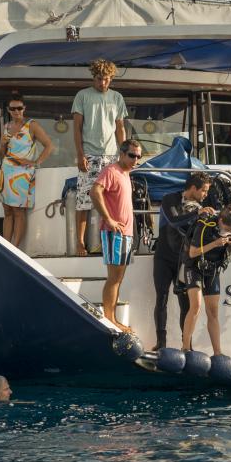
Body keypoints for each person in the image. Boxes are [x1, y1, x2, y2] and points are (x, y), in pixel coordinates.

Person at [151, 172, 214, 351]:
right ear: (193, 188)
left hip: (182, 260)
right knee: (161, 298)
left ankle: (187, 345)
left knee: (184, 303)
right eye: (204, 191)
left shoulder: (198, 207)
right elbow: (174, 221)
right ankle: (161, 342)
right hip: (163, 257)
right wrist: (197, 214)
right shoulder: (169, 199)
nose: (205, 195)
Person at [72, 58, 128, 256]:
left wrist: (124, 155)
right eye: (98, 79)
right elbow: (77, 128)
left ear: (111, 78)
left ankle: (112, 242)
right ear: (93, 78)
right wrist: (80, 155)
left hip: (112, 157)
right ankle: (80, 244)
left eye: (105, 79)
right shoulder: (82, 96)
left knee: (113, 201)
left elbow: (120, 128)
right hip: (89, 155)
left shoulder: (117, 98)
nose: (102, 83)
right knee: (84, 201)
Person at [180, 205, 231, 355]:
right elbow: (192, 253)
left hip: (213, 270)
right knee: (196, 306)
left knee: (213, 311)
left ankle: (217, 352)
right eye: (226, 228)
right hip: (195, 267)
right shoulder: (205, 225)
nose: (228, 232)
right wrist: (215, 243)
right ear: (220, 220)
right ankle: (185, 347)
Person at [90, 139, 142, 333]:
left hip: (125, 233)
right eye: (132, 155)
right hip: (115, 232)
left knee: (118, 278)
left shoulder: (125, 174)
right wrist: (109, 219)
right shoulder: (111, 171)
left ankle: (112, 318)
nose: (135, 159)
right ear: (122, 154)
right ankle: (109, 319)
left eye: (138, 156)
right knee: (114, 278)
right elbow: (95, 192)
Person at [0, 91, 55, 248]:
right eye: (13, 109)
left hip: (22, 174)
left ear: (24, 108)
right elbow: (2, 155)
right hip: (6, 171)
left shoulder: (32, 125)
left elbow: (49, 145)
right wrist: (1, 144)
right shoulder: (7, 127)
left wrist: (36, 162)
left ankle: (15, 249)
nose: (17, 112)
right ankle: (6, 247)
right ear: (8, 110)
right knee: (7, 211)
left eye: (19, 108)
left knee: (18, 212)